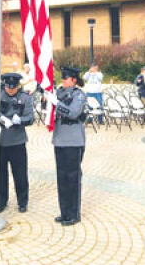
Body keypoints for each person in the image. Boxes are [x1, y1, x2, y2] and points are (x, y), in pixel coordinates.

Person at [44, 66, 86, 226]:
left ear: (74, 80)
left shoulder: (79, 95)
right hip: (60, 139)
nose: (63, 81)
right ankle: (64, 212)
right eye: (62, 78)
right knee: (62, 177)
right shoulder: (59, 93)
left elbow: (74, 112)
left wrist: (57, 103)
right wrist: (48, 100)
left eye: (66, 78)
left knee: (73, 178)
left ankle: (74, 214)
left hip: (74, 140)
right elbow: (50, 110)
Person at [0, 73, 34, 214]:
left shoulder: (25, 98)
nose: (10, 89)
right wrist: (1, 119)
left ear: (18, 86)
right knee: (0, 175)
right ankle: (1, 201)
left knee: (20, 174)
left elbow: (30, 117)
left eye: (13, 87)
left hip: (17, 141)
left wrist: (20, 120)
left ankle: (22, 202)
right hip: (0, 141)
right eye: (8, 86)